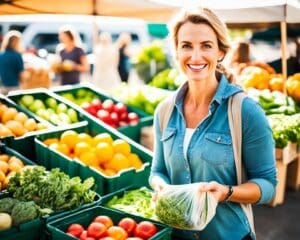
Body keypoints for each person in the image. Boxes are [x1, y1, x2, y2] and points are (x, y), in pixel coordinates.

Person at [149, 7, 277, 240]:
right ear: (176, 52)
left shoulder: (245, 111)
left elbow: (267, 186)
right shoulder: (165, 111)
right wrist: (162, 187)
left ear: (220, 52)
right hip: (175, 235)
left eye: (206, 45)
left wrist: (226, 192)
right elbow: (157, 171)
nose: (195, 57)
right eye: (186, 45)